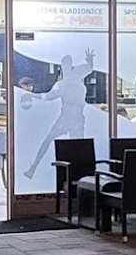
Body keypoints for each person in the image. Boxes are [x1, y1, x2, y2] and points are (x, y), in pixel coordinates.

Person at [23, 49, 95, 179]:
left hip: (70, 118)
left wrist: (33, 96)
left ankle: (33, 168)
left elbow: (47, 97)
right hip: (74, 118)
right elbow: (89, 68)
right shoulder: (75, 76)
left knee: (60, 143)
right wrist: (90, 60)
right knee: (75, 146)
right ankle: (33, 169)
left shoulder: (64, 83)